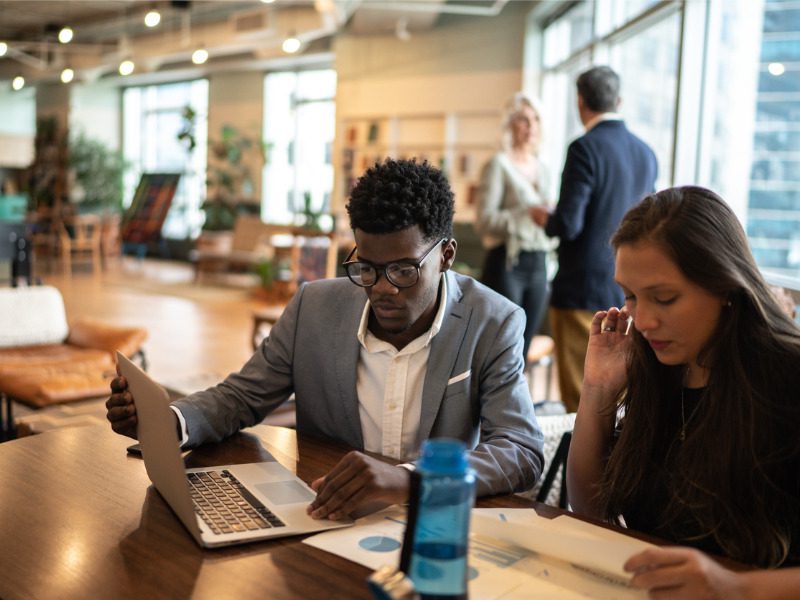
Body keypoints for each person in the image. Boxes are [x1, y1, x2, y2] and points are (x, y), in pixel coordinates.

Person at [107, 158, 544, 521]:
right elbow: (242, 396)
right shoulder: (315, 307)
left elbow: (520, 450)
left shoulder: (493, 321)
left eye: (405, 271)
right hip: (325, 513)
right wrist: (172, 423)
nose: (382, 288)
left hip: (433, 525)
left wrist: (410, 478)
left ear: (446, 255)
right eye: (367, 267)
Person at [568, 186, 800, 597]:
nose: (643, 320)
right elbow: (590, 511)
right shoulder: (661, 367)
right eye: (631, 297)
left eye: (665, 298)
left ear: (726, 286)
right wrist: (597, 392)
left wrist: (735, 587)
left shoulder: (786, 377)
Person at [531, 65, 657, 412]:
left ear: (580, 101)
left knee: (580, 397)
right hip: (625, 290)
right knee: (618, 397)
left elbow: (568, 224)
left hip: (580, 287)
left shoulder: (584, 148)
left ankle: (585, 465)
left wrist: (546, 217)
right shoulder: (646, 153)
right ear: (619, 100)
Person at [474, 92, 553, 362]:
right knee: (504, 348)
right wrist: (524, 214)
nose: (530, 127)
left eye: (536, 120)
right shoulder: (499, 164)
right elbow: (484, 220)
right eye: (523, 120)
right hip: (508, 263)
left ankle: (517, 404)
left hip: (539, 263)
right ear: (510, 124)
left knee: (525, 349)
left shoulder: (544, 169)